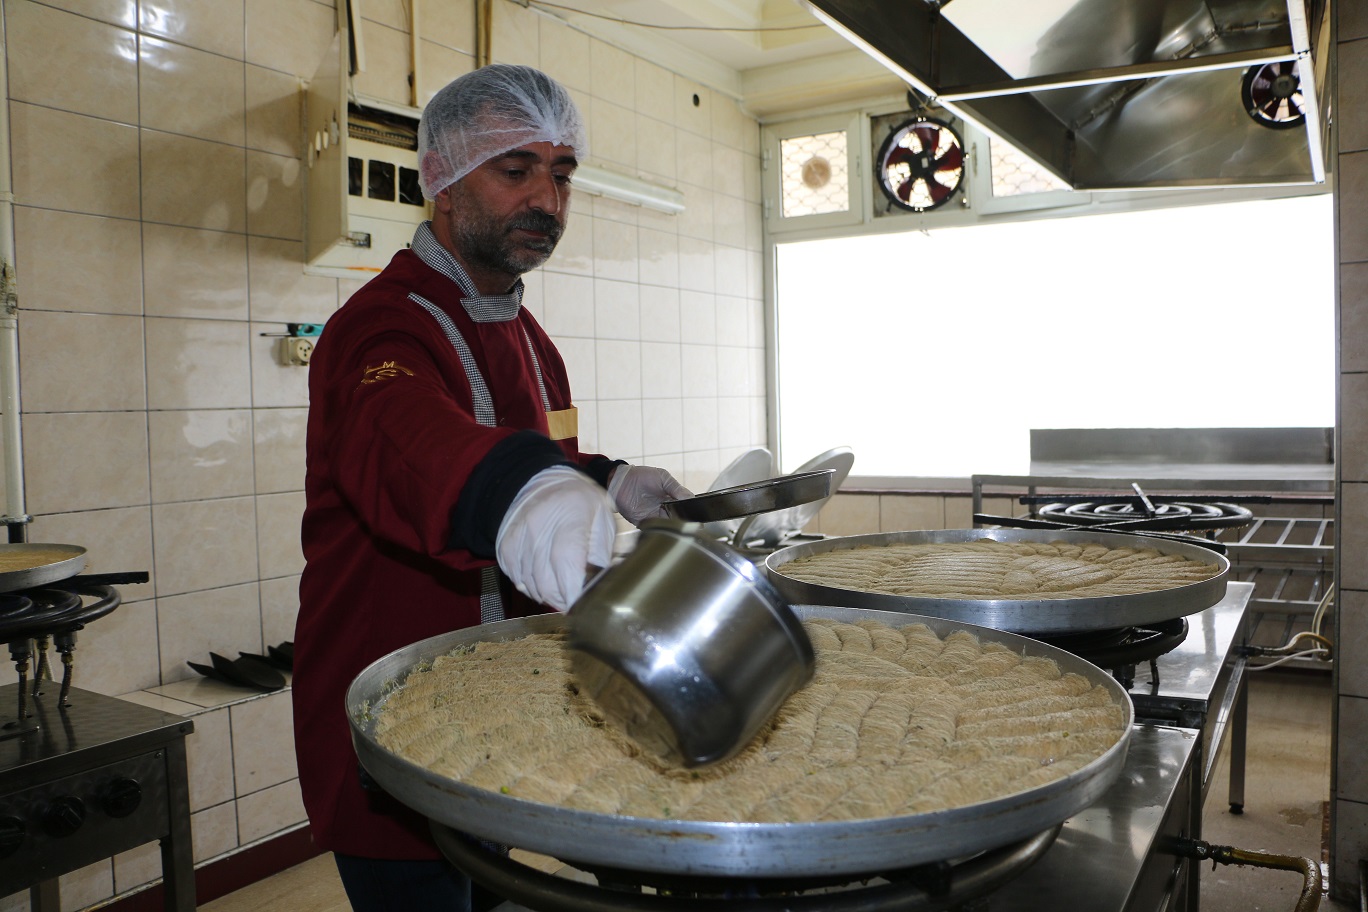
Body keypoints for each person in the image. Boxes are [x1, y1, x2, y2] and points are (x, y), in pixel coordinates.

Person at [293, 64, 691, 912]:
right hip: (397, 718)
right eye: (516, 171)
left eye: (562, 173)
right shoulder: (383, 325)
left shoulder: (526, 334)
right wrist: (520, 497)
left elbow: (519, 449)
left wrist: (607, 482)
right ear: (443, 178)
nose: (547, 199)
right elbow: (409, 442)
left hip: (495, 714)